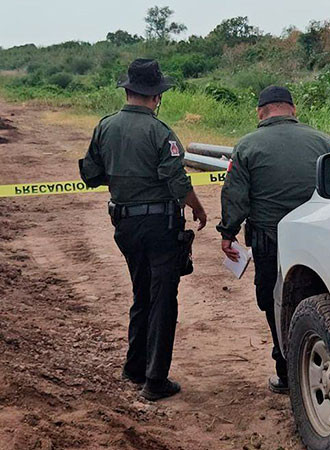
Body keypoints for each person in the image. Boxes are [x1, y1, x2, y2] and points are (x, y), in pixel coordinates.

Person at [79, 59, 207, 402]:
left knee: (142, 293)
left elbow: (90, 174)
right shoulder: (160, 132)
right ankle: (155, 380)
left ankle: (134, 367)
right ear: (155, 97)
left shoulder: (104, 127)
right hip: (160, 226)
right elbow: (176, 179)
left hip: (124, 225)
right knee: (163, 300)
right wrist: (196, 205)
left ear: (128, 90)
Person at [217, 86, 330, 394]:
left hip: (270, 241)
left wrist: (228, 234)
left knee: (275, 304)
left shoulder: (246, 146)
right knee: (323, 307)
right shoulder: (325, 142)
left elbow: (235, 195)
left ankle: (285, 372)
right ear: (293, 110)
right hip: (320, 242)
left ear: (260, 112)